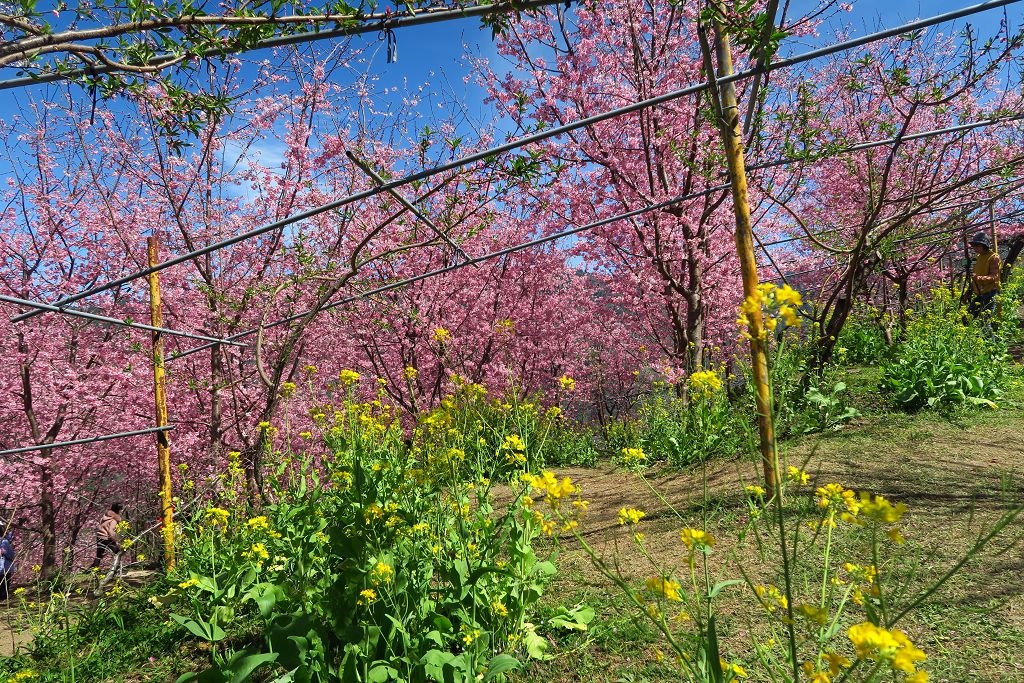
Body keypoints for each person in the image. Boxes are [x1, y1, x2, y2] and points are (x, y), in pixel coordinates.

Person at [967, 231, 1001, 318]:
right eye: (974, 245)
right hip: (980, 292)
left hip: (991, 292)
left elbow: (995, 276)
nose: (975, 248)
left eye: (978, 245)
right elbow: (974, 276)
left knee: (985, 321)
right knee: (967, 317)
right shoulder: (978, 258)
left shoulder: (993, 257)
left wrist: (978, 278)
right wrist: (969, 291)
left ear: (985, 245)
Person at [90, 502, 123, 570]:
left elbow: (99, 526)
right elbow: (111, 531)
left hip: (99, 537)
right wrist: (115, 540)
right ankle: (117, 568)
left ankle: (94, 569)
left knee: (99, 555)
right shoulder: (114, 520)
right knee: (118, 552)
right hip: (107, 538)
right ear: (119, 510)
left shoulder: (105, 516)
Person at [0, 529, 15, 600]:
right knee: (3, 589)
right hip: (3, 569)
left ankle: (3, 600)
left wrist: (3, 552)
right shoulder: (4, 542)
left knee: (3, 589)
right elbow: (11, 555)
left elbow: (11, 555)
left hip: (4, 569)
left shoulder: (3, 542)